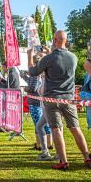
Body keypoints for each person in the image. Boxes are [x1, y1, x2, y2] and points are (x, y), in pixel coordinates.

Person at [29, 30, 91, 170]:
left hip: (52, 99)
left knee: (56, 129)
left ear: (55, 40)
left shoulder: (49, 58)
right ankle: (87, 158)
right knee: (76, 129)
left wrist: (29, 57)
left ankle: (63, 161)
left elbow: (33, 72)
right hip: (69, 99)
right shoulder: (73, 57)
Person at [22, 53, 53, 155]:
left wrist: (24, 89)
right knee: (44, 123)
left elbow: (32, 88)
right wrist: (24, 77)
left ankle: (40, 145)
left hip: (35, 102)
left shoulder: (35, 73)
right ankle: (49, 143)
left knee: (38, 124)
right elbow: (32, 82)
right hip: (39, 101)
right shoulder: (37, 73)